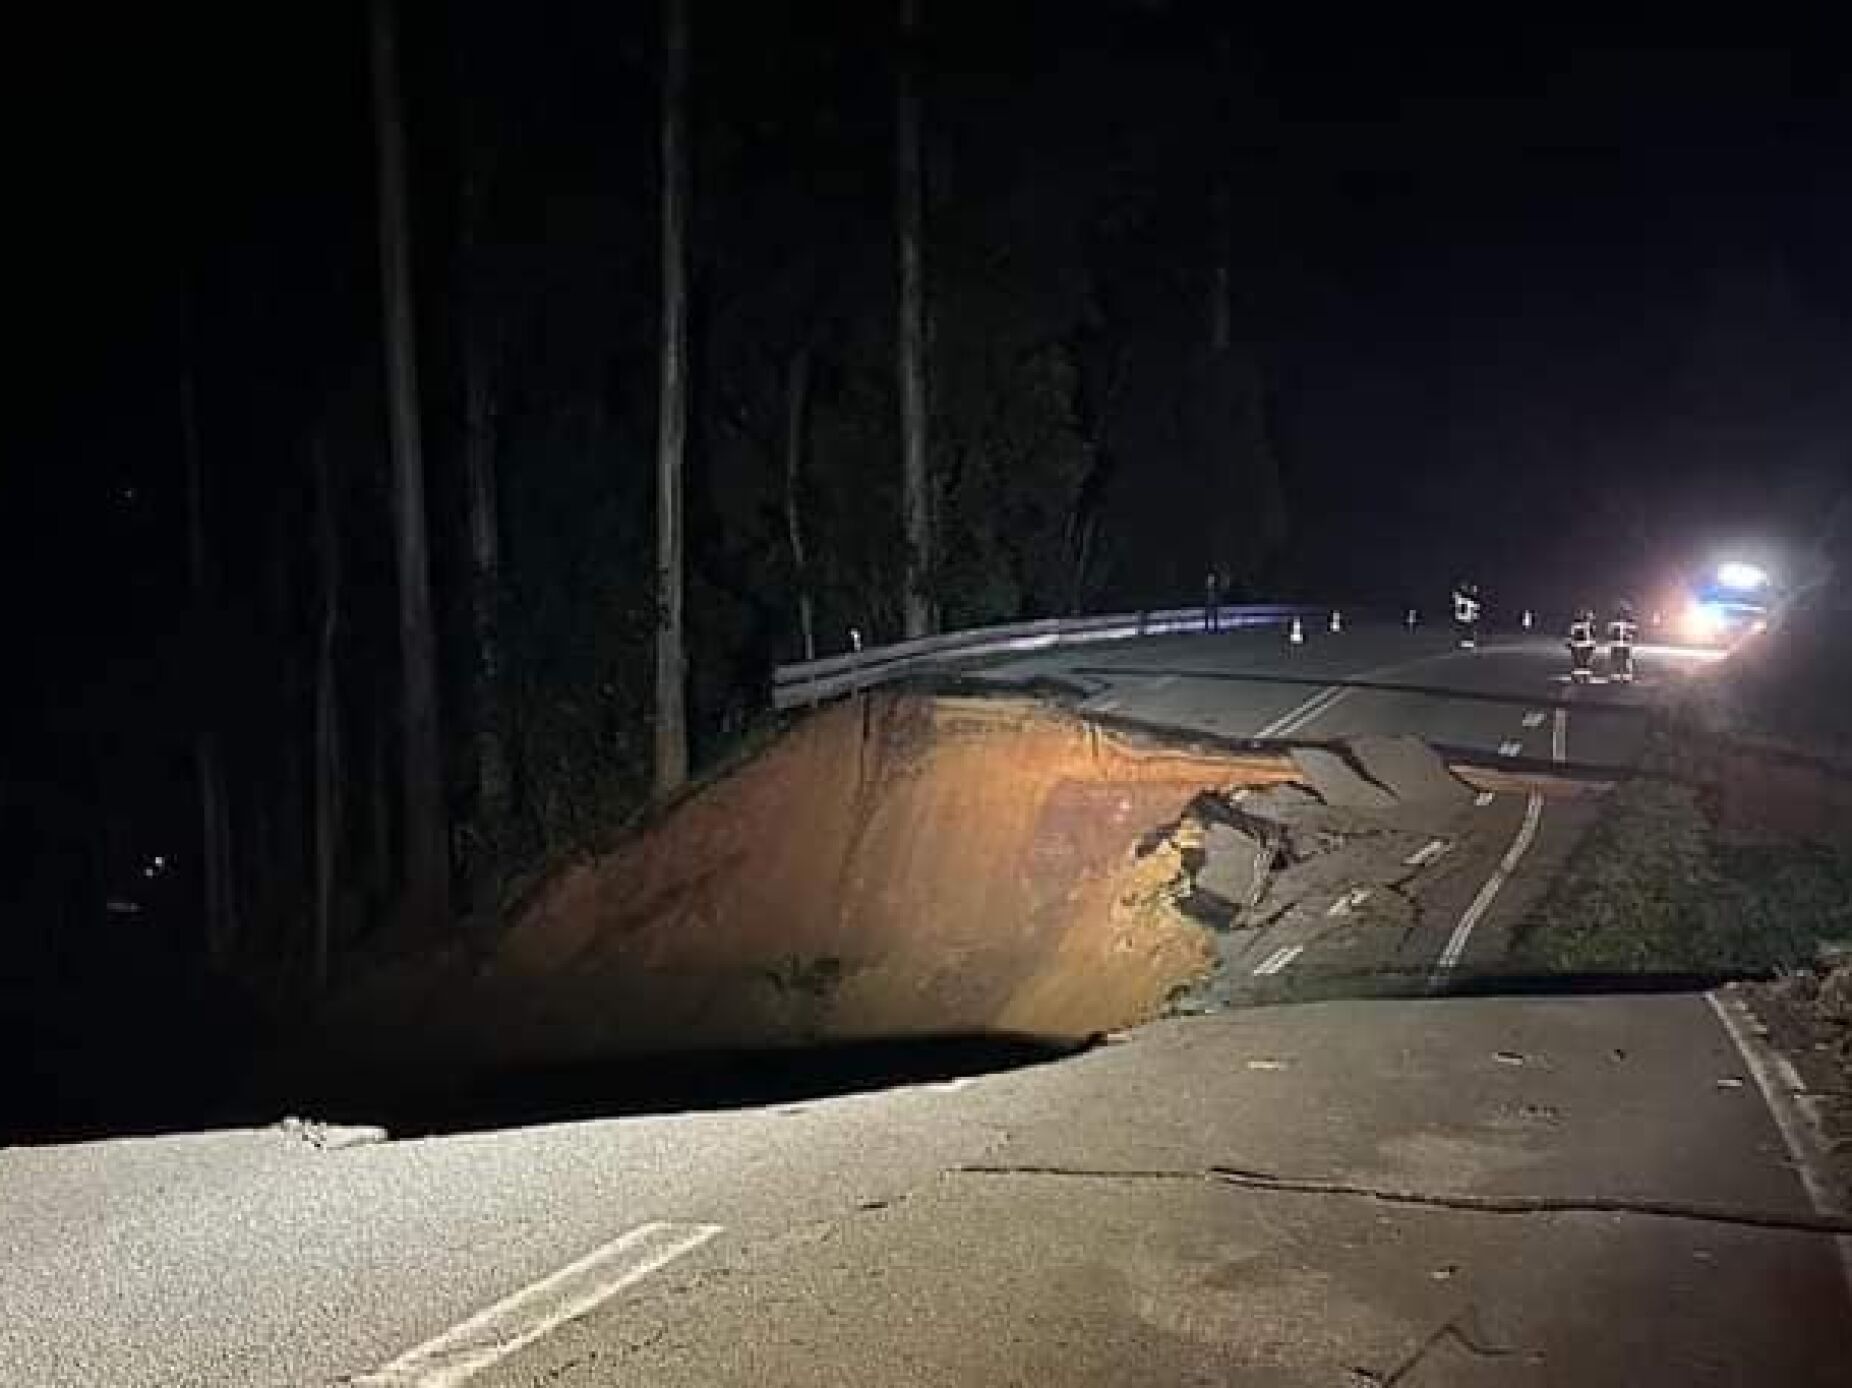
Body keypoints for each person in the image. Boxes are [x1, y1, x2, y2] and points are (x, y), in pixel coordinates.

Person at [1608, 601, 1638, 684]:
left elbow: (1609, 631)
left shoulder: (1613, 619)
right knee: (1626, 659)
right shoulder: (1630, 620)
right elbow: (1634, 631)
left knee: (1616, 659)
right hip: (1625, 643)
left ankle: (1616, 676)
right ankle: (1625, 677)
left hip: (1616, 643)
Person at [1567, 608, 1598, 683]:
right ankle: (1584, 676)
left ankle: (1579, 676)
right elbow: (1592, 636)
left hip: (1578, 645)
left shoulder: (1575, 625)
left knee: (1578, 663)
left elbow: (1571, 635)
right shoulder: (1589, 625)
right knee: (1585, 663)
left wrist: (1570, 644)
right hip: (1586, 645)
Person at [1451, 580, 1481, 649]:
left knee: (1469, 630)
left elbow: (1475, 606)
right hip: (1464, 616)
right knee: (1464, 630)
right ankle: (1464, 643)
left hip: (1468, 616)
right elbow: (1460, 602)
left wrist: (1475, 614)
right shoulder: (1462, 597)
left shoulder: (1470, 597)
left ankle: (1469, 643)